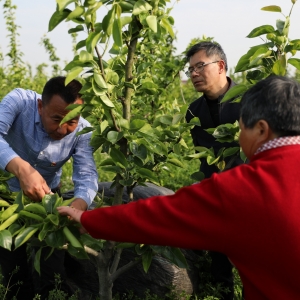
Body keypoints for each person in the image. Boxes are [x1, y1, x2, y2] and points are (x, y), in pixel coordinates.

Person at [59, 75, 300, 299]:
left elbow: (157, 216)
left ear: (260, 129)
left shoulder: (241, 188)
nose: (239, 137)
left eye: (241, 128)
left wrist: (88, 220)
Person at [0, 76, 98, 299]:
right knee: (13, 266)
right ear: (41, 106)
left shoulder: (84, 131)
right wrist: (22, 170)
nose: (63, 130)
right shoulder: (18, 102)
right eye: (56, 119)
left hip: (48, 199)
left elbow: (86, 174)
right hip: (6, 195)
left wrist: (79, 204)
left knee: (52, 268)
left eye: (71, 121)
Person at [185, 41, 242, 299]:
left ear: (220, 66)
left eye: (200, 66)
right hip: (215, 196)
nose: (194, 74)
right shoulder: (193, 112)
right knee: (220, 267)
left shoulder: (248, 101)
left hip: (248, 194)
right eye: (190, 70)